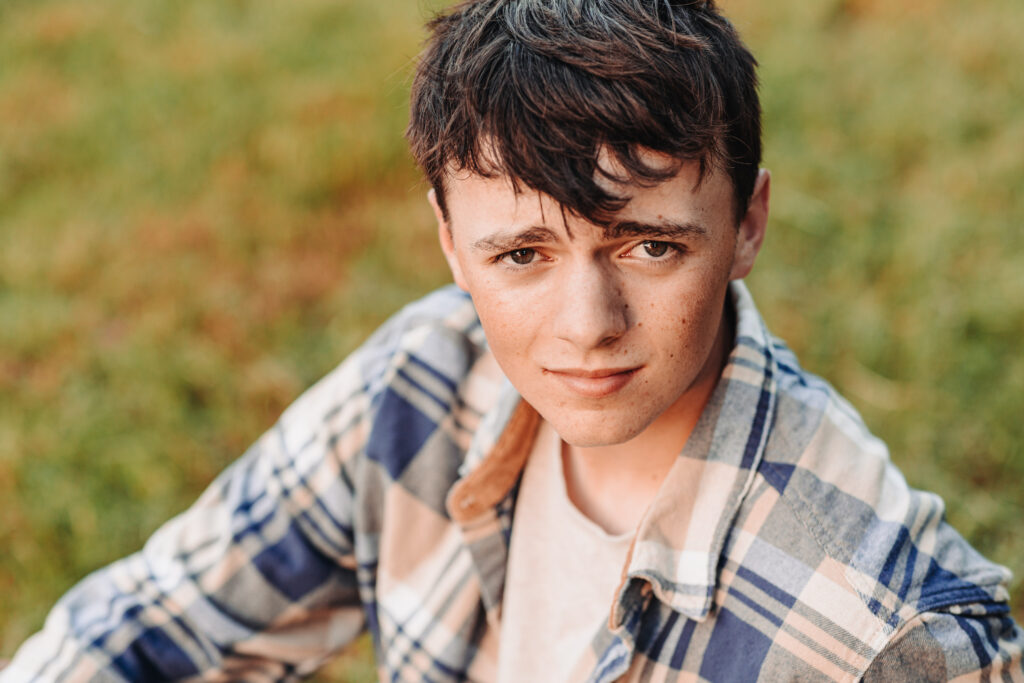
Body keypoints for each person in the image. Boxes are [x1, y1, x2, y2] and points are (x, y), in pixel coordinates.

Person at [3, 0, 1022, 680]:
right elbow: (143, 628)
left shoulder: (891, 628)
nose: (587, 327)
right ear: (449, 242)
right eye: (523, 255)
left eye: (648, 245)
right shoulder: (426, 378)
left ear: (748, 222)